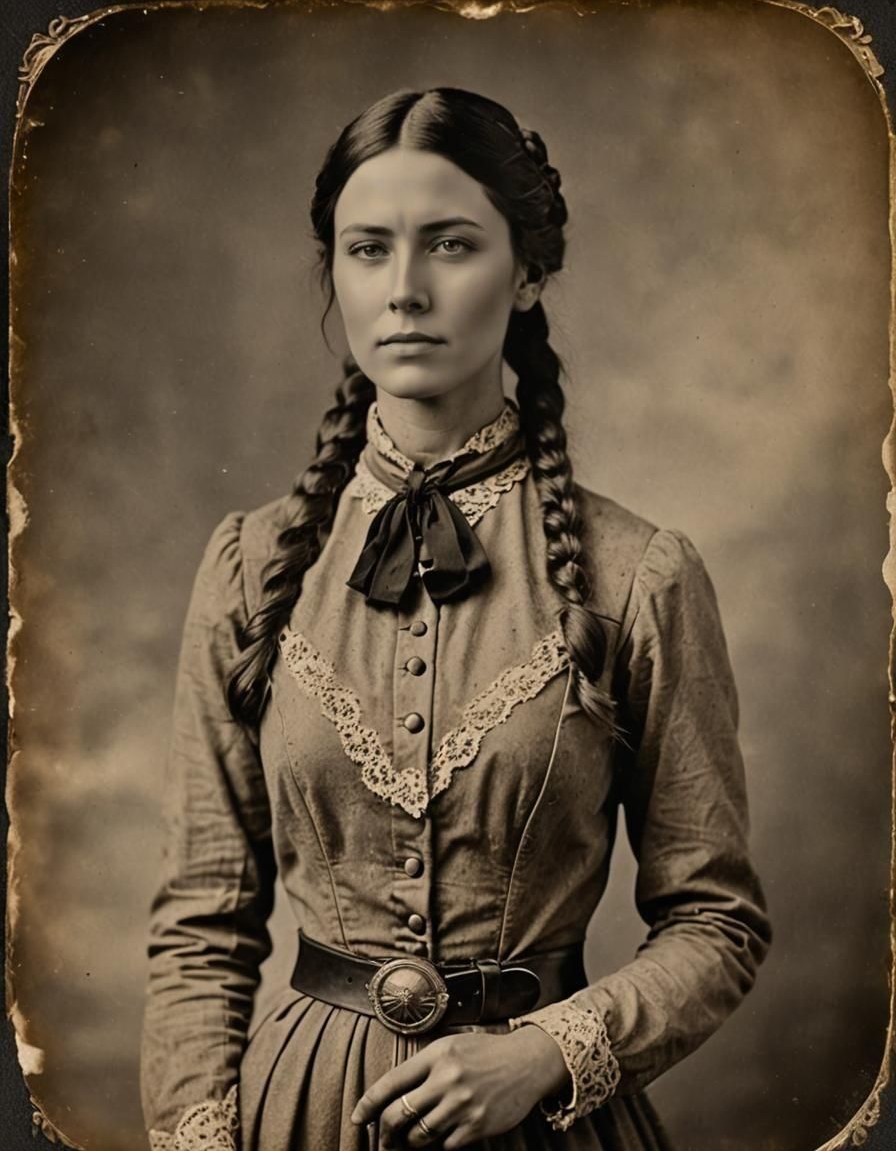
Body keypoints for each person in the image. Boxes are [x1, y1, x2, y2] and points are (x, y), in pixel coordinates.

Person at [139, 87, 771, 1151]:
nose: (406, 292)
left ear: (525, 274)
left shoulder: (637, 575)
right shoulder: (250, 567)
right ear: (334, 275)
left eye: (450, 245)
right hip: (300, 1118)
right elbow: (202, 922)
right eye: (368, 250)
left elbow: (716, 924)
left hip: (543, 1120)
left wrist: (542, 1054)